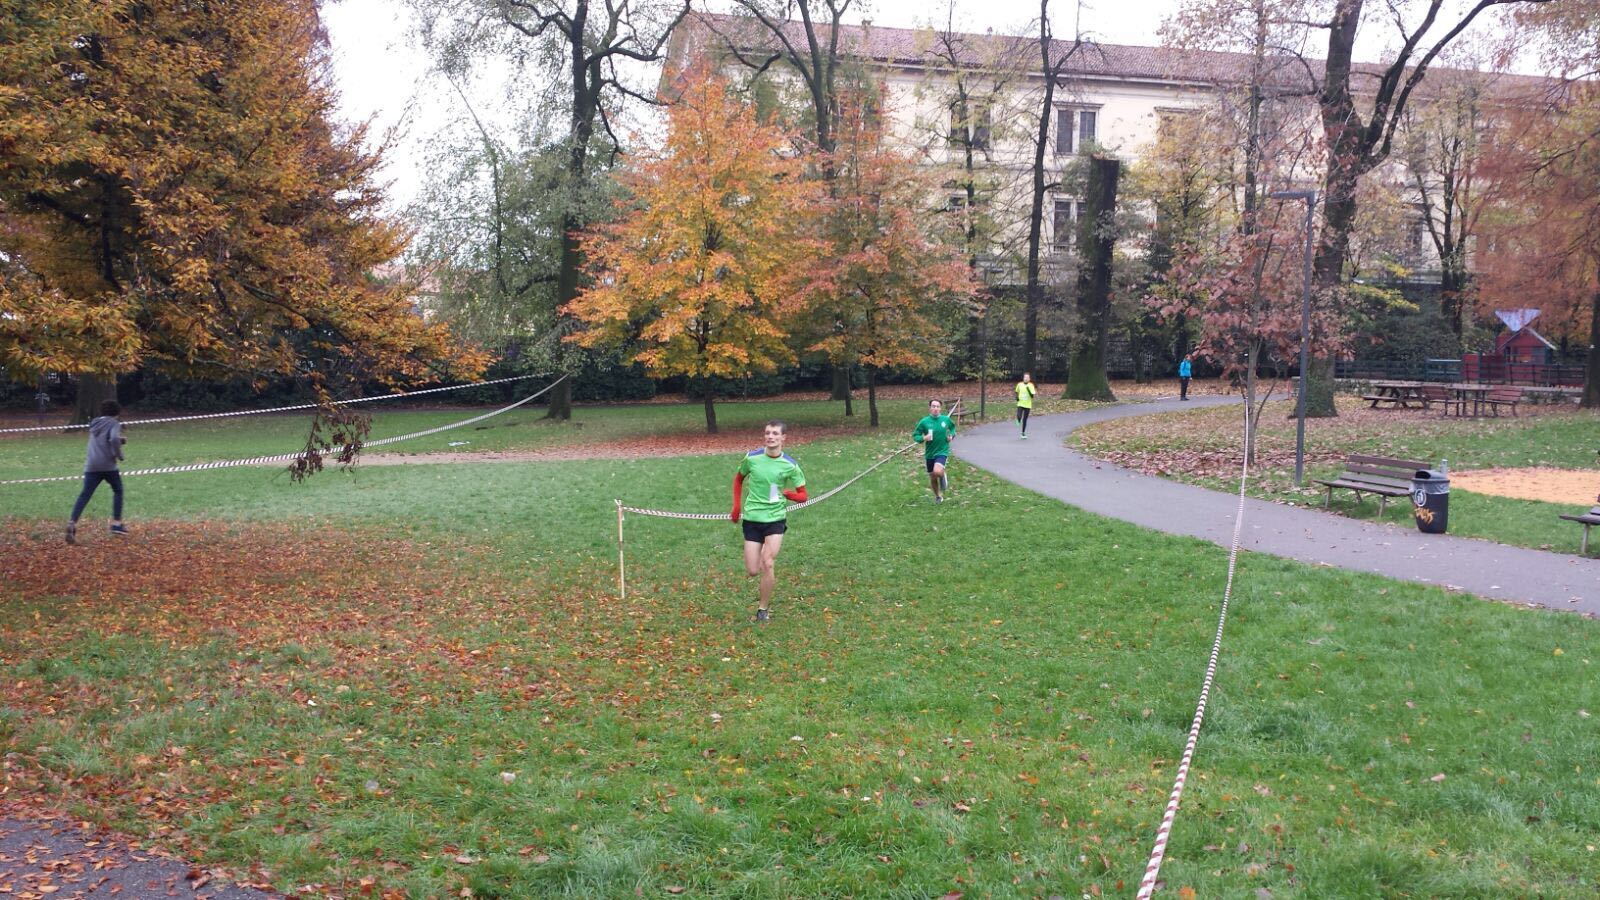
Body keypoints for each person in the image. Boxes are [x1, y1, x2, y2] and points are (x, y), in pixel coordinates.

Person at [730, 420, 807, 623]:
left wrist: (789, 495)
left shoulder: (790, 465)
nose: (770, 437)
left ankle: (762, 609)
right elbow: (738, 480)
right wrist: (736, 507)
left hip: (775, 519)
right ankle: (762, 551)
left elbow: (803, 495)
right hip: (753, 518)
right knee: (752, 570)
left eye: (775, 433)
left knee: (768, 563)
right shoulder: (752, 458)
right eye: (767, 433)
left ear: (783, 438)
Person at [67, 400, 128, 544]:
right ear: (116, 413)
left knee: (85, 495)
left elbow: (103, 439)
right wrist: (119, 454)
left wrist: (120, 440)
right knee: (118, 490)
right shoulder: (114, 423)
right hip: (108, 465)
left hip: (91, 465)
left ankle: (72, 522)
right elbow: (113, 438)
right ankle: (116, 523)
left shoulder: (94, 423)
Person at [913, 398, 956, 502]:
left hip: (942, 451)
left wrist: (951, 436)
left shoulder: (945, 420)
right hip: (930, 453)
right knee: (932, 477)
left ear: (940, 408)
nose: (936, 408)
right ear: (930, 408)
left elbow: (952, 428)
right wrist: (924, 438)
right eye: (933, 406)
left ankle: (942, 475)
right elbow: (916, 435)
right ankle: (938, 496)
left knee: (937, 471)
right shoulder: (924, 422)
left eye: (938, 406)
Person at [1014, 372, 1037, 439]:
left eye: (1027, 377)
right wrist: (1016, 397)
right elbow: (1016, 391)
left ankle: (1023, 433)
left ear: (1029, 379)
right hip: (1020, 403)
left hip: (1028, 405)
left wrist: (1028, 390)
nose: (1026, 378)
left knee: (1025, 419)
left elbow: (1032, 396)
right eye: (1025, 377)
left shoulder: (1031, 385)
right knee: (1019, 415)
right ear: (1023, 378)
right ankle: (1018, 420)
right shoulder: (1019, 384)